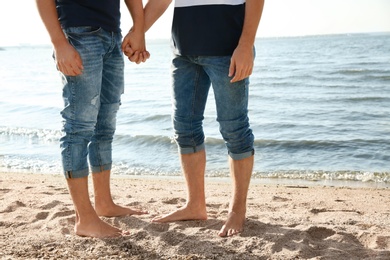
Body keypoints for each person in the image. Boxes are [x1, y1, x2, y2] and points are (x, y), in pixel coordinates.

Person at [138, 0, 265, 237]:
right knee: (185, 128)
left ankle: (237, 210)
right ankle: (195, 205)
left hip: (228, 49)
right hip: (184, 51)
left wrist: (246, 45)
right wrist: (137, 32)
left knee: (234, 129)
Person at [35, 0, 150, 238]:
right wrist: (59, 43)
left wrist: (138, 30)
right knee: (79, 127)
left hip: (111, 35)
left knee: (105, 126)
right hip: (78, 35)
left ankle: (104, 203)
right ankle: (84, 219)